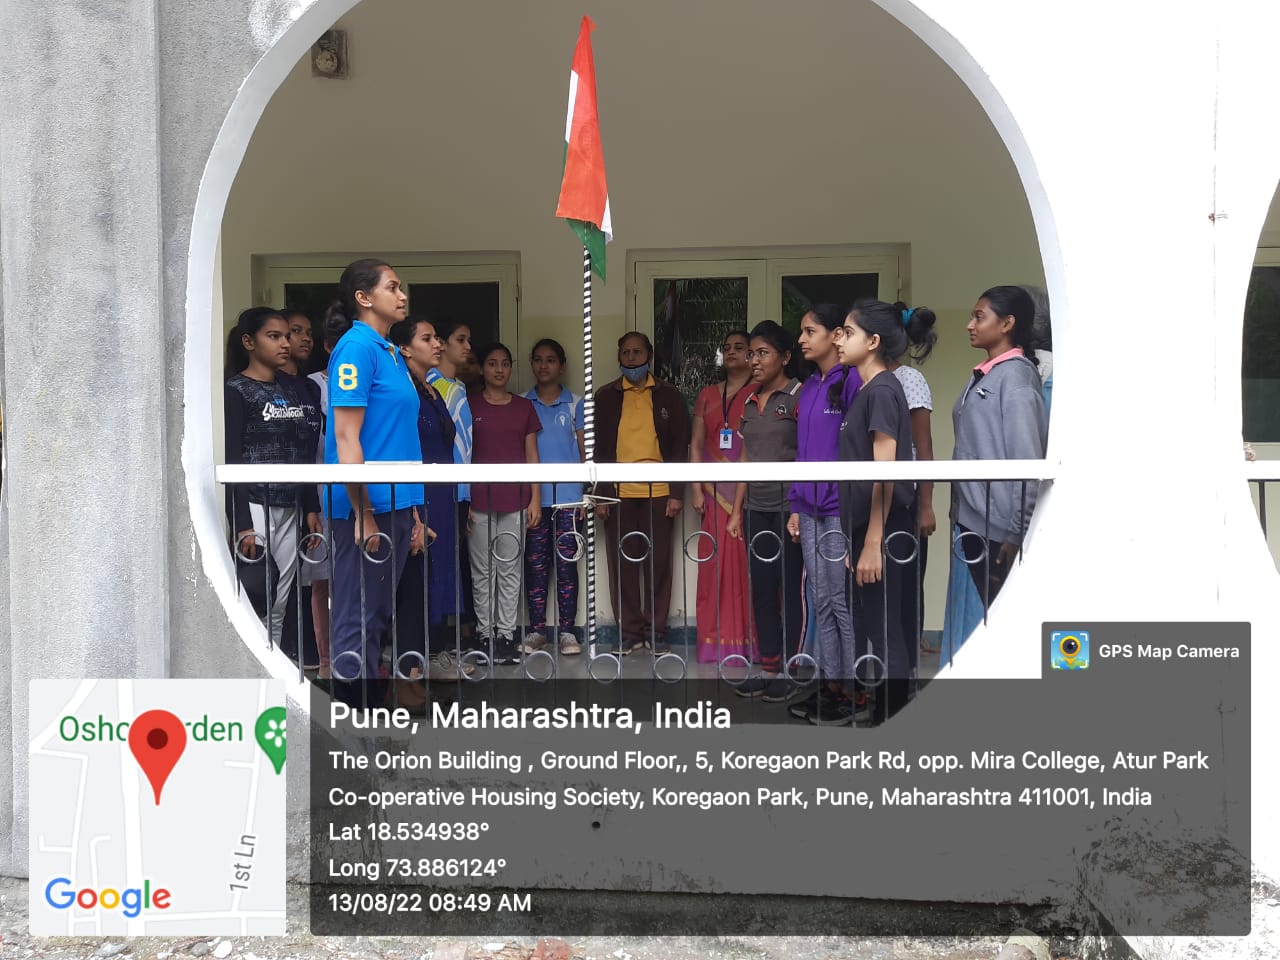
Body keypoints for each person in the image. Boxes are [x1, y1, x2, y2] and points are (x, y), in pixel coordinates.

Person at [323, 259, 426, 706]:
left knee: (378, 615)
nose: (402, 296)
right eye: (392, 287)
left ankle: (370, 715)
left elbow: (395, 437)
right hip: (365, 509)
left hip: (397, 505)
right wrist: (363, 513)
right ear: (364, 298)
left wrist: (415, 512)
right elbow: (346, 438)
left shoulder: (386, 351)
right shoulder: (356, 349)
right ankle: (351, 721)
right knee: (357, 616)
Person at [836, 299, 918, 726]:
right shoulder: (867, 390)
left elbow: (884, 472)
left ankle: (893, 718)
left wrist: (872, 542)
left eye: (848, 332)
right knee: (877, 626)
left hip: (884, 527)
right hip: (869, 527)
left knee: (887, 631)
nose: (839, 339)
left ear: (873, 341)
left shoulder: (884, 390)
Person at [223, 306, 322, 648]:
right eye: (274, 336)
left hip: (291, 506)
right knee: (255, 596)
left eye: (287, 336)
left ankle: (274, 668)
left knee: (280, 599)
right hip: (255, 506)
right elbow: (231, 459)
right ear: (249, 342)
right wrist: (241, 524)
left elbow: (304, 452)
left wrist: (311, 505)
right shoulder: (235, 391)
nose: (285, 343)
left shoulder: (296, 389)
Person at [785, 305, 862, 723]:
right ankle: (831, 687)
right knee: (821, 599)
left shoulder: (851, 382)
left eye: (808, 331)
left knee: (839, 601)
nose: (801, 339)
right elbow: (803, 454)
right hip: (810, 509)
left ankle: (854, 692)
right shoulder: (810, 387)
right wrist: (796, 507)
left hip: (838, 509)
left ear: (835, 335)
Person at [952, 285, 1049, 608]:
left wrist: (1015, 532)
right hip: (975, 522)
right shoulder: (984, 373)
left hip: (1001, 531)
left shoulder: (1016, 378)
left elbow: (1028, 459)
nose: (970, 325)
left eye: (979, 317)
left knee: (1010, 615)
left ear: (1007, 324)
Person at [594, 332, 691, 656]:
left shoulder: (669, 396)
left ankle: (656, 631)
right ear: (619, 357)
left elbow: (680, 447)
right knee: (622, 565)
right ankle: (630, 633)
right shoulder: (605, 397)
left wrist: (677, 493)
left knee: (659, 564)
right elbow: (597, 451)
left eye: (637, 352)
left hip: (660, 492)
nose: (631, 358)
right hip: (618, 493)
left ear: (649, 355)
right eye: (626, 353)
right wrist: (602, 496)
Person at [389, 315, 472, 682]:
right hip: (417, 496)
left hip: (443, 495)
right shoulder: (401, 389)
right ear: (405, 348)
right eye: (428, 338)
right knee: (417, 580)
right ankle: (410, 665)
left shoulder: (432, 389)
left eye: (438, 337)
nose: (437, 344)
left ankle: (430, 656)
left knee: (439, 575)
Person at [728, 321, 804, 699]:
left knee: (790, 590)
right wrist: (735, 510)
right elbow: (745, 456)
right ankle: (769, 666)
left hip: (789, 509)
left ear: (786, 357)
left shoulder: (800, 396)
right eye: (751, 353)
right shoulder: (748, 400)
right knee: (762, 589)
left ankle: (793, 668)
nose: (753, 360)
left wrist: (799, 508)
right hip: (756, 509)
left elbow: (809, 453)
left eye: (763, 353)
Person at [469, 342, 542, 665]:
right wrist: (464, 499)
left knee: (510, 569)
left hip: (516, 499)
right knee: (482, 570)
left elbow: (532, 456)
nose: (499, 370)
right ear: (482, 369)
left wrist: (535, 498)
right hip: (478, 500)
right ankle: (485, 635)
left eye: (504, 364)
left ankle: (507, 636)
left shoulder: (524, 408)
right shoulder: (469, 406)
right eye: (492, 363)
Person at [688, 331, 755, 664]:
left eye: (739, 348)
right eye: (726, 348)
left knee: (748, 570)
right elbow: (697, 444)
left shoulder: (761, 392)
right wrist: (696, 487)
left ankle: (750, 645)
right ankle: (715, 645)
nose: (731, 353)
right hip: (714, 496)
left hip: (748, 496)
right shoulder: (706, 395)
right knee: (713, 569)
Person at [523, 338, 586, 656]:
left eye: (550, 360)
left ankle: (567, 632)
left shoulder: (576, 404)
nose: (543, 365)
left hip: (569, 500)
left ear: (562, 366)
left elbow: (586, 452)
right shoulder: (522, 402)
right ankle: (536, 631)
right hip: (534, 500)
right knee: (535, 566)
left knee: (566, 566)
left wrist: (586, 496)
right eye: (538, 359)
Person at [887, 302, 939, 659]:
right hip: (873, 498)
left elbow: (924, 447)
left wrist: (925, 506)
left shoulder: (909, 379)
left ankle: (907, 648)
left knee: (907, 581)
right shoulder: (859, 380)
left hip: (905, 498)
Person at [425, 317, 477, 640]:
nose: (468, 347)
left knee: (453, 565)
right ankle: (435, 644)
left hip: (459, 491)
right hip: (438, 491)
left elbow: (465, 445)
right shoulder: (430, 386)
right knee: (438, 568)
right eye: (461, 339)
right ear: (441, 344)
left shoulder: (457, 386)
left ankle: (447, 643)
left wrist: (467, 493)